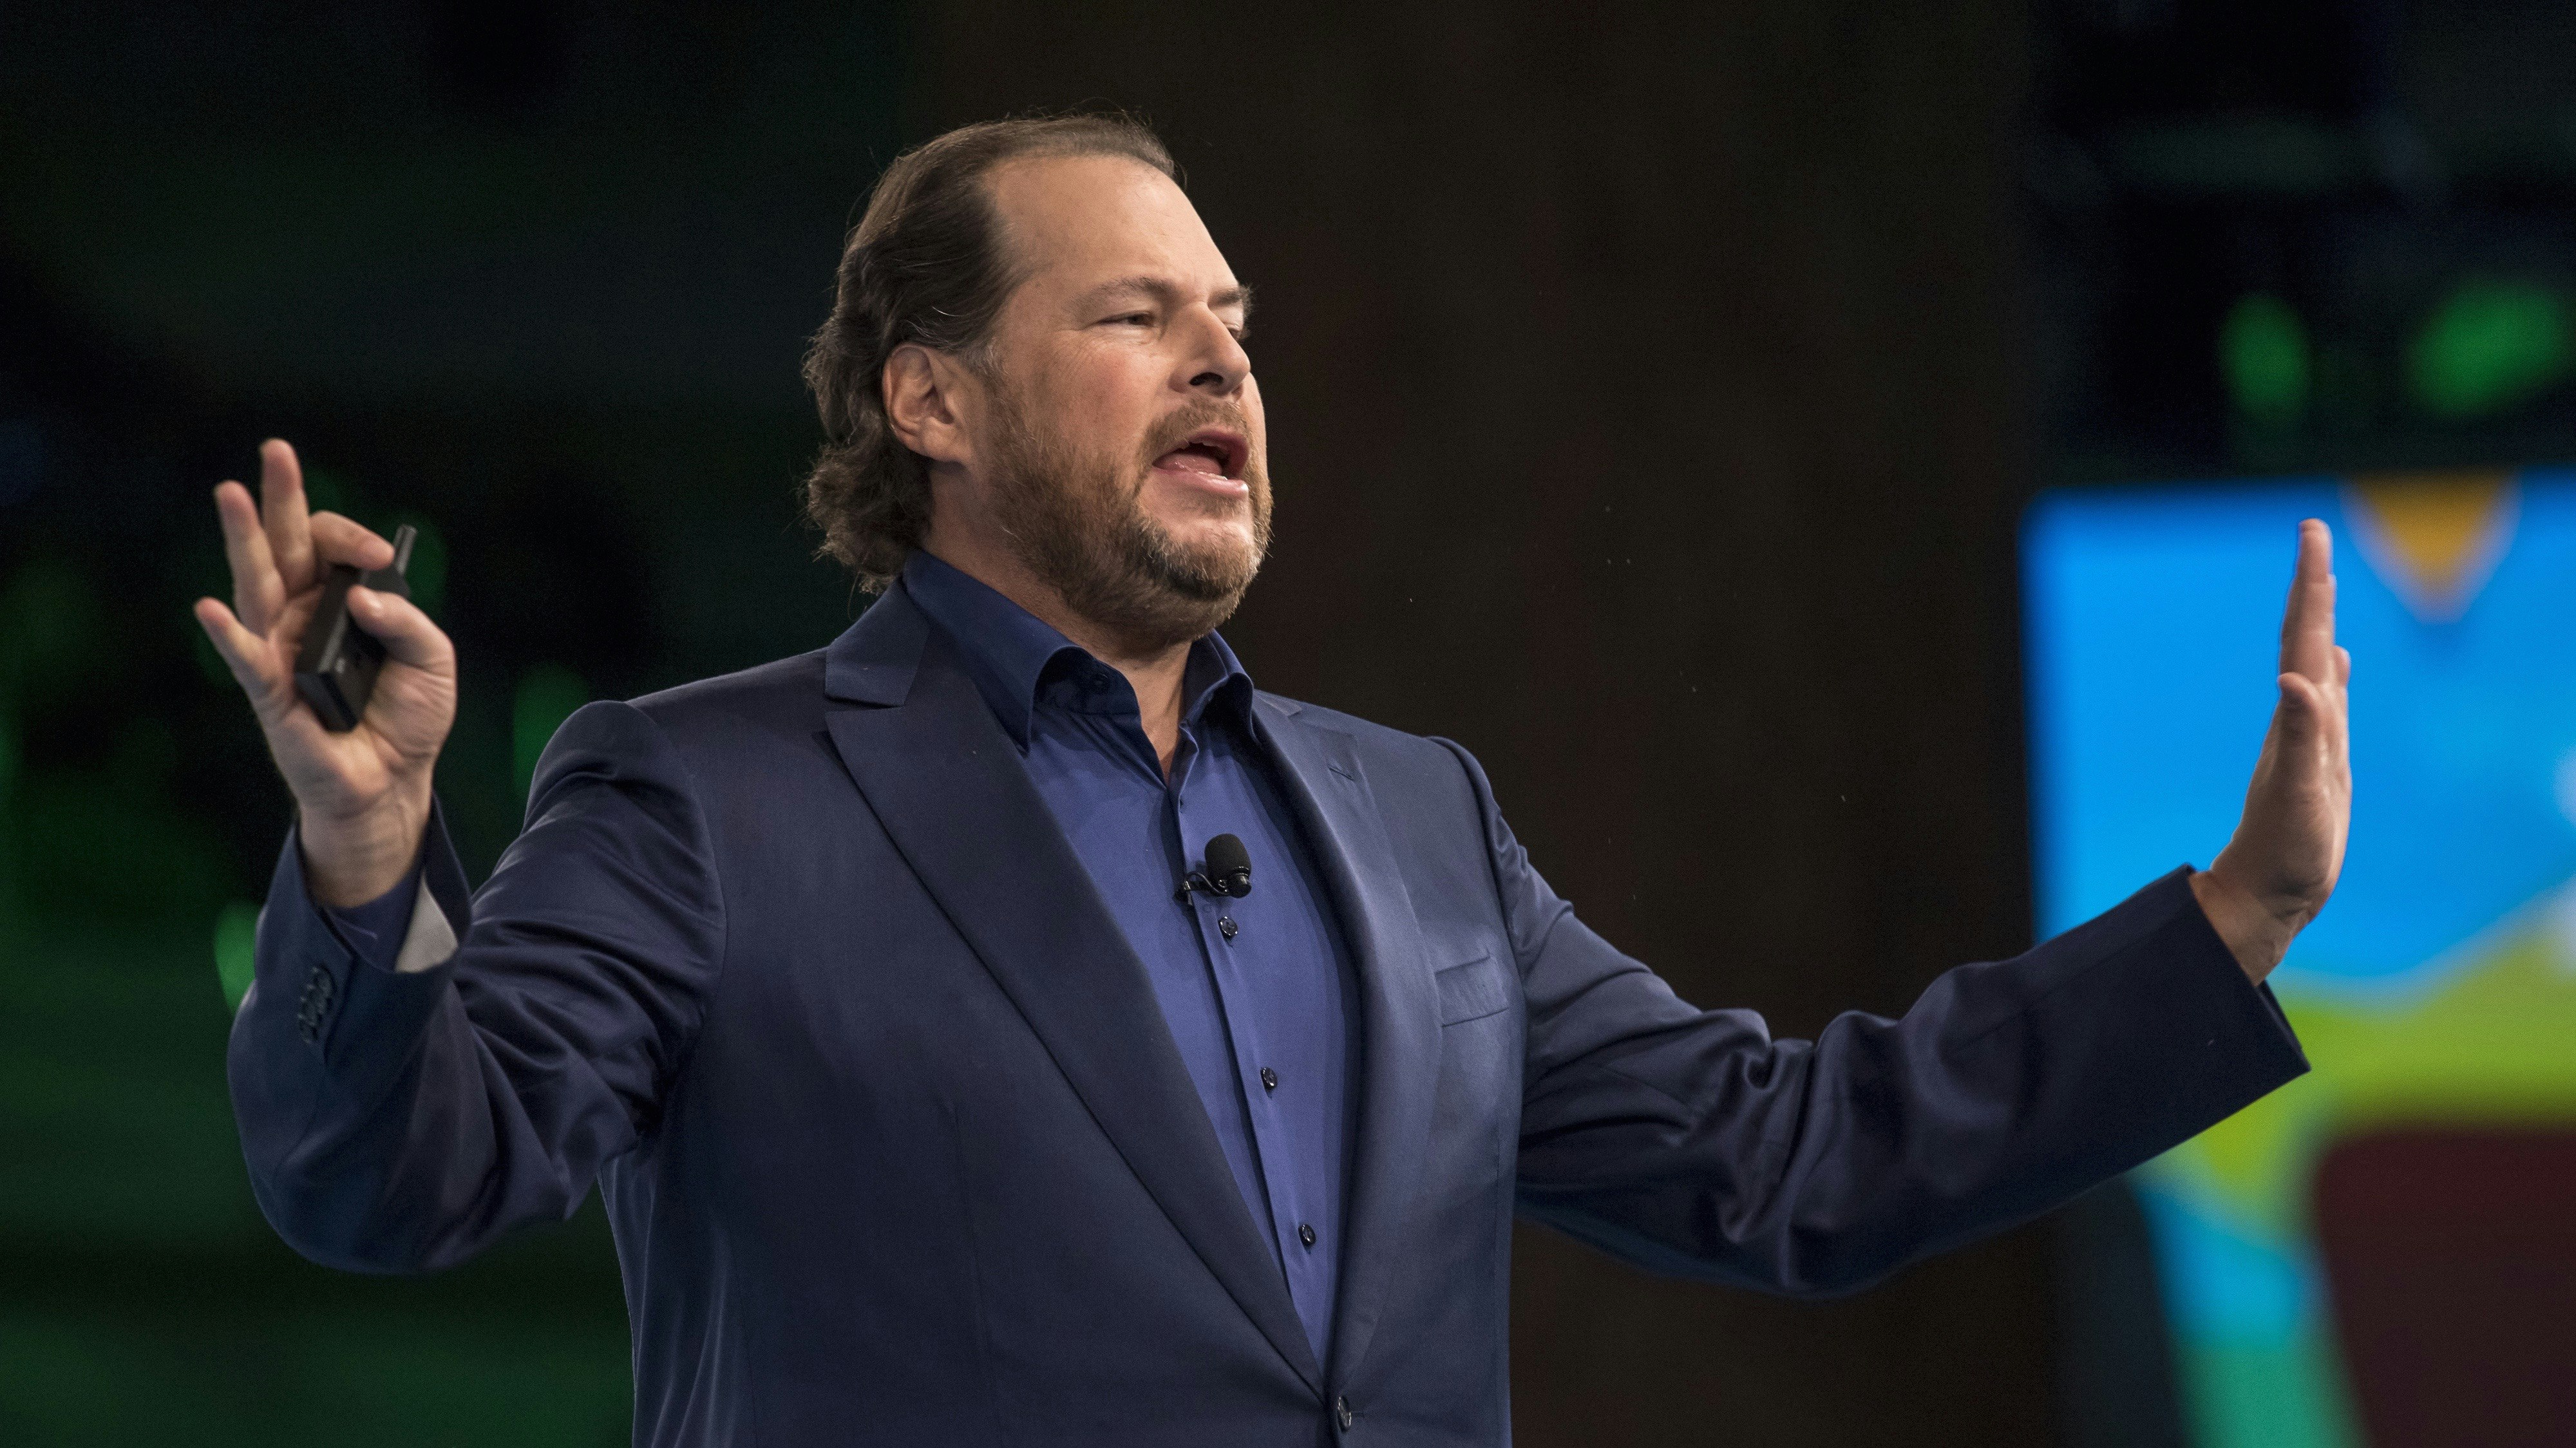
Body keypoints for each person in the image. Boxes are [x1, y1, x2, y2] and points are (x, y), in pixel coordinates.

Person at [197, 114, 2347, 1447]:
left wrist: (2231, 922)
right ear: (928, 395)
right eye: (1137, 316)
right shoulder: (705, 796)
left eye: (1231, 316)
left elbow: (1794, 1159)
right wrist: (369, 863)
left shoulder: (1420, 823)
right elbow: (404, 1179)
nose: (1226, 357)